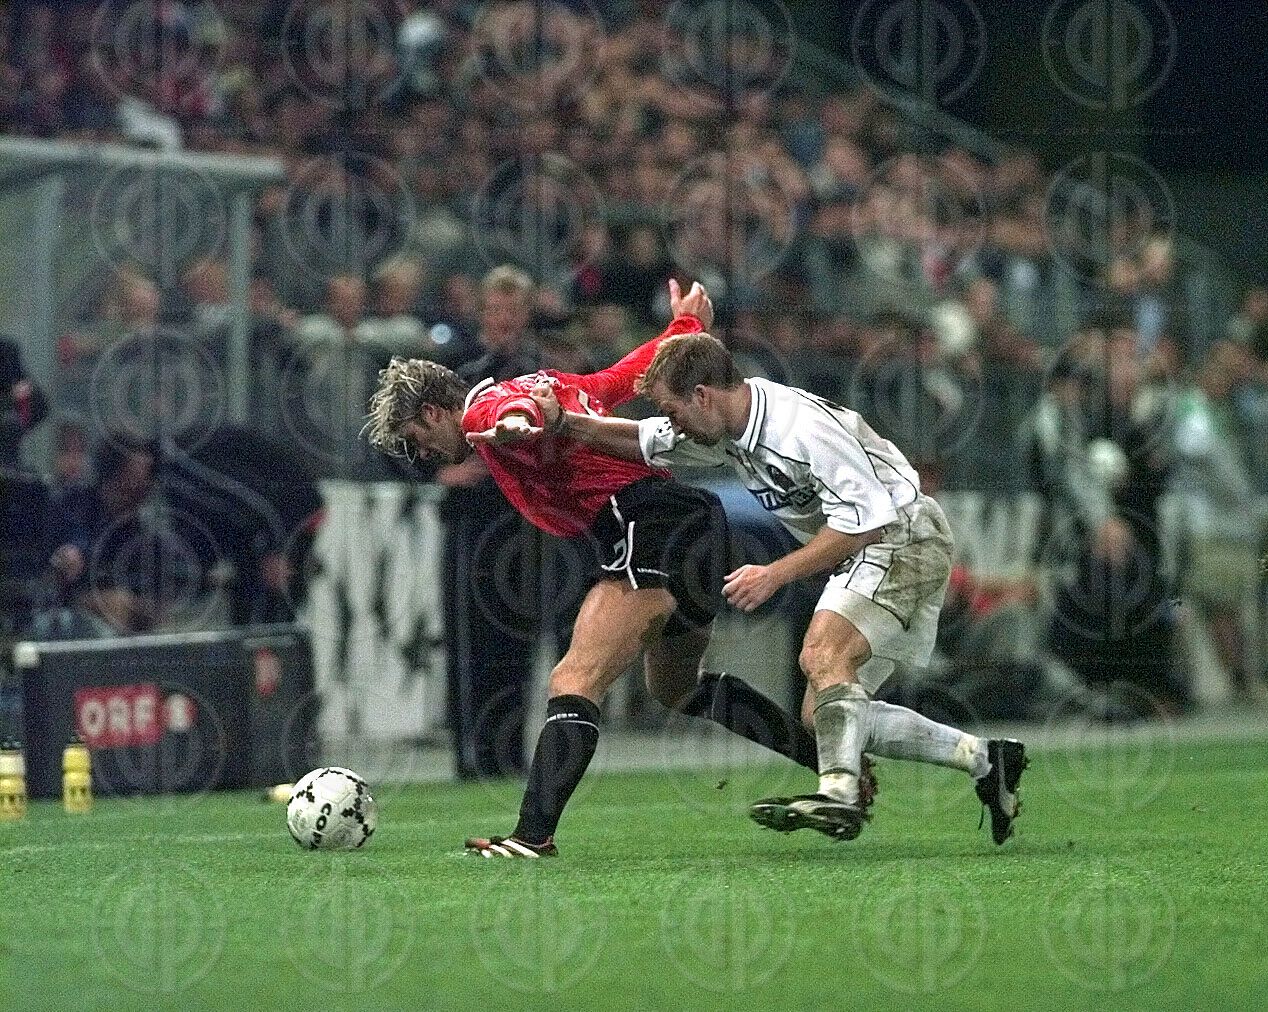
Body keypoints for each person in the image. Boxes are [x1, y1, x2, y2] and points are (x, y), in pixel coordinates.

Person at [365, 280, 832, 857]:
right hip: (694, 524)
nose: (423, 455)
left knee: (573, 679)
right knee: (677, 688)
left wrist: (519, 422)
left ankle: (530, 838)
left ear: (435, 411)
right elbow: (621, 377)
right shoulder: (551, 382)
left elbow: (511, 413)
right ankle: (831, 763)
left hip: (646, 525)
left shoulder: (487, 408)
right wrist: (684, 328)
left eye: (416, 440)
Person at [528, 331, 1028, 844]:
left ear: (702, 395)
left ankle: (838, 795)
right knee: (823, 717)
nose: (673, 425)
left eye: (674, 412)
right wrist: (564, 421)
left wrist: (774, 573)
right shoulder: (727, 425)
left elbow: (869, 521)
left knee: (822, 654)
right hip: (868, 547)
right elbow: (640, 439)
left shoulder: (798, 429)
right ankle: (986, 759)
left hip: (902, 537)